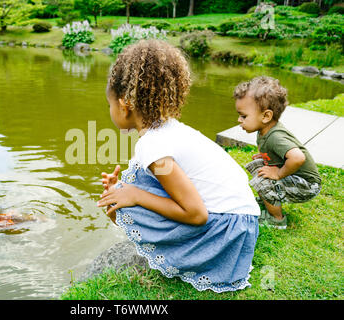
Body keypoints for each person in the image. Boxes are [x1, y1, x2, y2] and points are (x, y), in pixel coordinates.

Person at [96, 39, 260, 293]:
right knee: (131, 185)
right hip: (241, 221)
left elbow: (197, 214)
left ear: (123, 105)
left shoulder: (152, 145)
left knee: (130, 198)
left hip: (228, 232)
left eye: (109, 105)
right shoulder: (167, 129)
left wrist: (134, 195)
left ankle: (178, 253)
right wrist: (126, 190)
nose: (110, 110)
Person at [234, 76, 321, 230]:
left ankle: (277, 219)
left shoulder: (276, 136)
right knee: (258, 166)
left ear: (266, 116)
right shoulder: (263, 130)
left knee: (263, 181)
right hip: (295, 176)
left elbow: (298, 158)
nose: (239, 120)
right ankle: (268, 201)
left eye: (244, 116)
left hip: (307, 185)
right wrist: (265, 157)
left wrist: (279, 174)